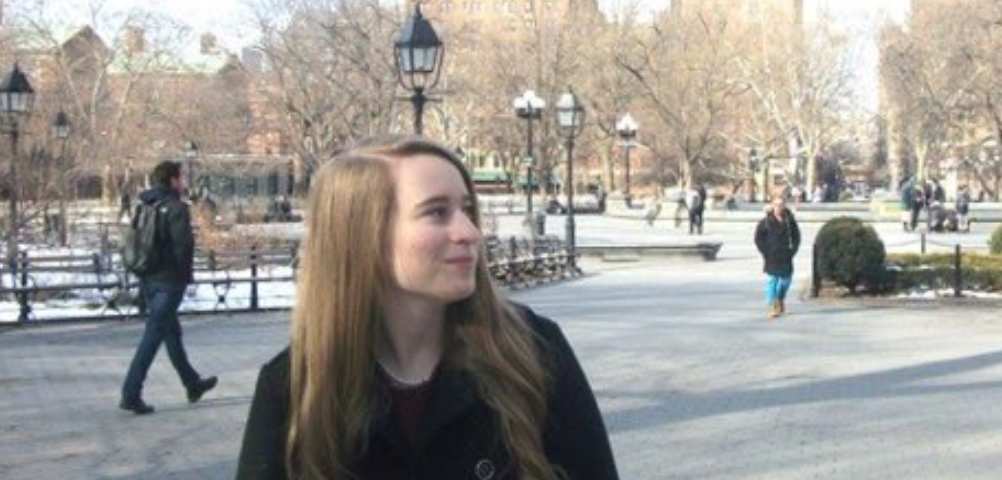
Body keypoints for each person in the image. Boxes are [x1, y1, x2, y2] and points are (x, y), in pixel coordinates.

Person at [235, 136, 619, 480]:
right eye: (437, 212)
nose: (469, 232)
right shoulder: (295, 387)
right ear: (361, 235)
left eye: (467, 209)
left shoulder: (533, 352)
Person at [120, 160, 217, 415]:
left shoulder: (145, 204)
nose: (182, 183)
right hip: (169, 281)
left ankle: (191, 382)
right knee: (153, 334)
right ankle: (131, 392)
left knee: (171, 333)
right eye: (180, 178)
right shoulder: (175, 208)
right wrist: (184, 277)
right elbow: (183, 246)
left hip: (148, 276)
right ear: (173, 180)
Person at [754, 195, 801, 320]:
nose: (779, 207)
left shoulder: (790, 221)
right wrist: (765, 252)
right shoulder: (766, 222)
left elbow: (797, 237)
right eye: (776, 205)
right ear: (772, 206)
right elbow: (758, 239)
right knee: (772, 280)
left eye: (781, 204)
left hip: (786, 255)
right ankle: (773, 305)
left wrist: (793, 251)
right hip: (771, 256)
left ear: (785, 206)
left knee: (786, 280)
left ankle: (780, 298)